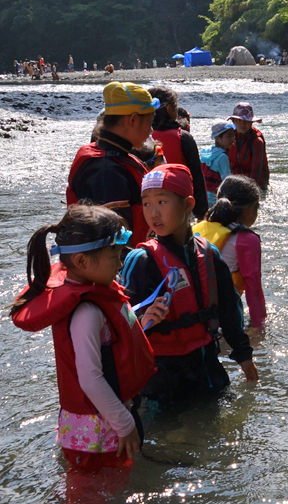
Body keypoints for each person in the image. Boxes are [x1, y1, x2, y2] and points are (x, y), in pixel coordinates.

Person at [10, 205, 162, 470]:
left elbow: (112, 347)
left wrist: (145, 321)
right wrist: (125, 425)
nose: (121, 261)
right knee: (94, 491)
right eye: (114, 254)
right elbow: (90, 379)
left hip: (104, 420)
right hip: (96, 433)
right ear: (81, 262)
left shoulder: (94, 295)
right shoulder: (86, 311)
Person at [121, 164, 258, 406]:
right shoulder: (141, 260)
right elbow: (120, 322)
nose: (153, 213)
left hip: (205, 365)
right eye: (146, 204)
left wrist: (244, 355)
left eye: (162, 202)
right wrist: (141, 318)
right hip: (161, 376)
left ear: (188, 205)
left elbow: (229, 307)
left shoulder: (209, 254)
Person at [67, 81, 160, 247]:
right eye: (150, 121)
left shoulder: (110, 157)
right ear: (133, 120)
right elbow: (113, 241)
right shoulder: (107, 171)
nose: (151, 130)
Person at [193, 175, 266, 327]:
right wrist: (260, 329)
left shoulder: (199, 227)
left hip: (191, 311)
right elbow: (254, 290)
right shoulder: (247, 239)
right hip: (221, 315)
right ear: (251, 210)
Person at [148, 85, 208, 220]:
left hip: (149, 208)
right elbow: (197, 177)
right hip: (179, 206)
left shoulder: (142, 137)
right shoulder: (183, 137)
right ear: (169, 108)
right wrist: (202, 213)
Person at [227, 102, 269, 190]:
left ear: (252, 123)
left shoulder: (257, 141)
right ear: (233, 121)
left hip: (257, 185)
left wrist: (250, 189)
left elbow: (256, 169)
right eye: (239, 120)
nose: (243, 124)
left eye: (247, 121)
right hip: (235, 183)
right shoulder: (227, 137)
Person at [200, 121, 236, 207]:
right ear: (217, 139)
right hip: (213, 200)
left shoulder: (206, 152)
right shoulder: (223, 157)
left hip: (201, 196)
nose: (232, 139)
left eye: (233, 135)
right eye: (229, 136)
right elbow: (227, 181)